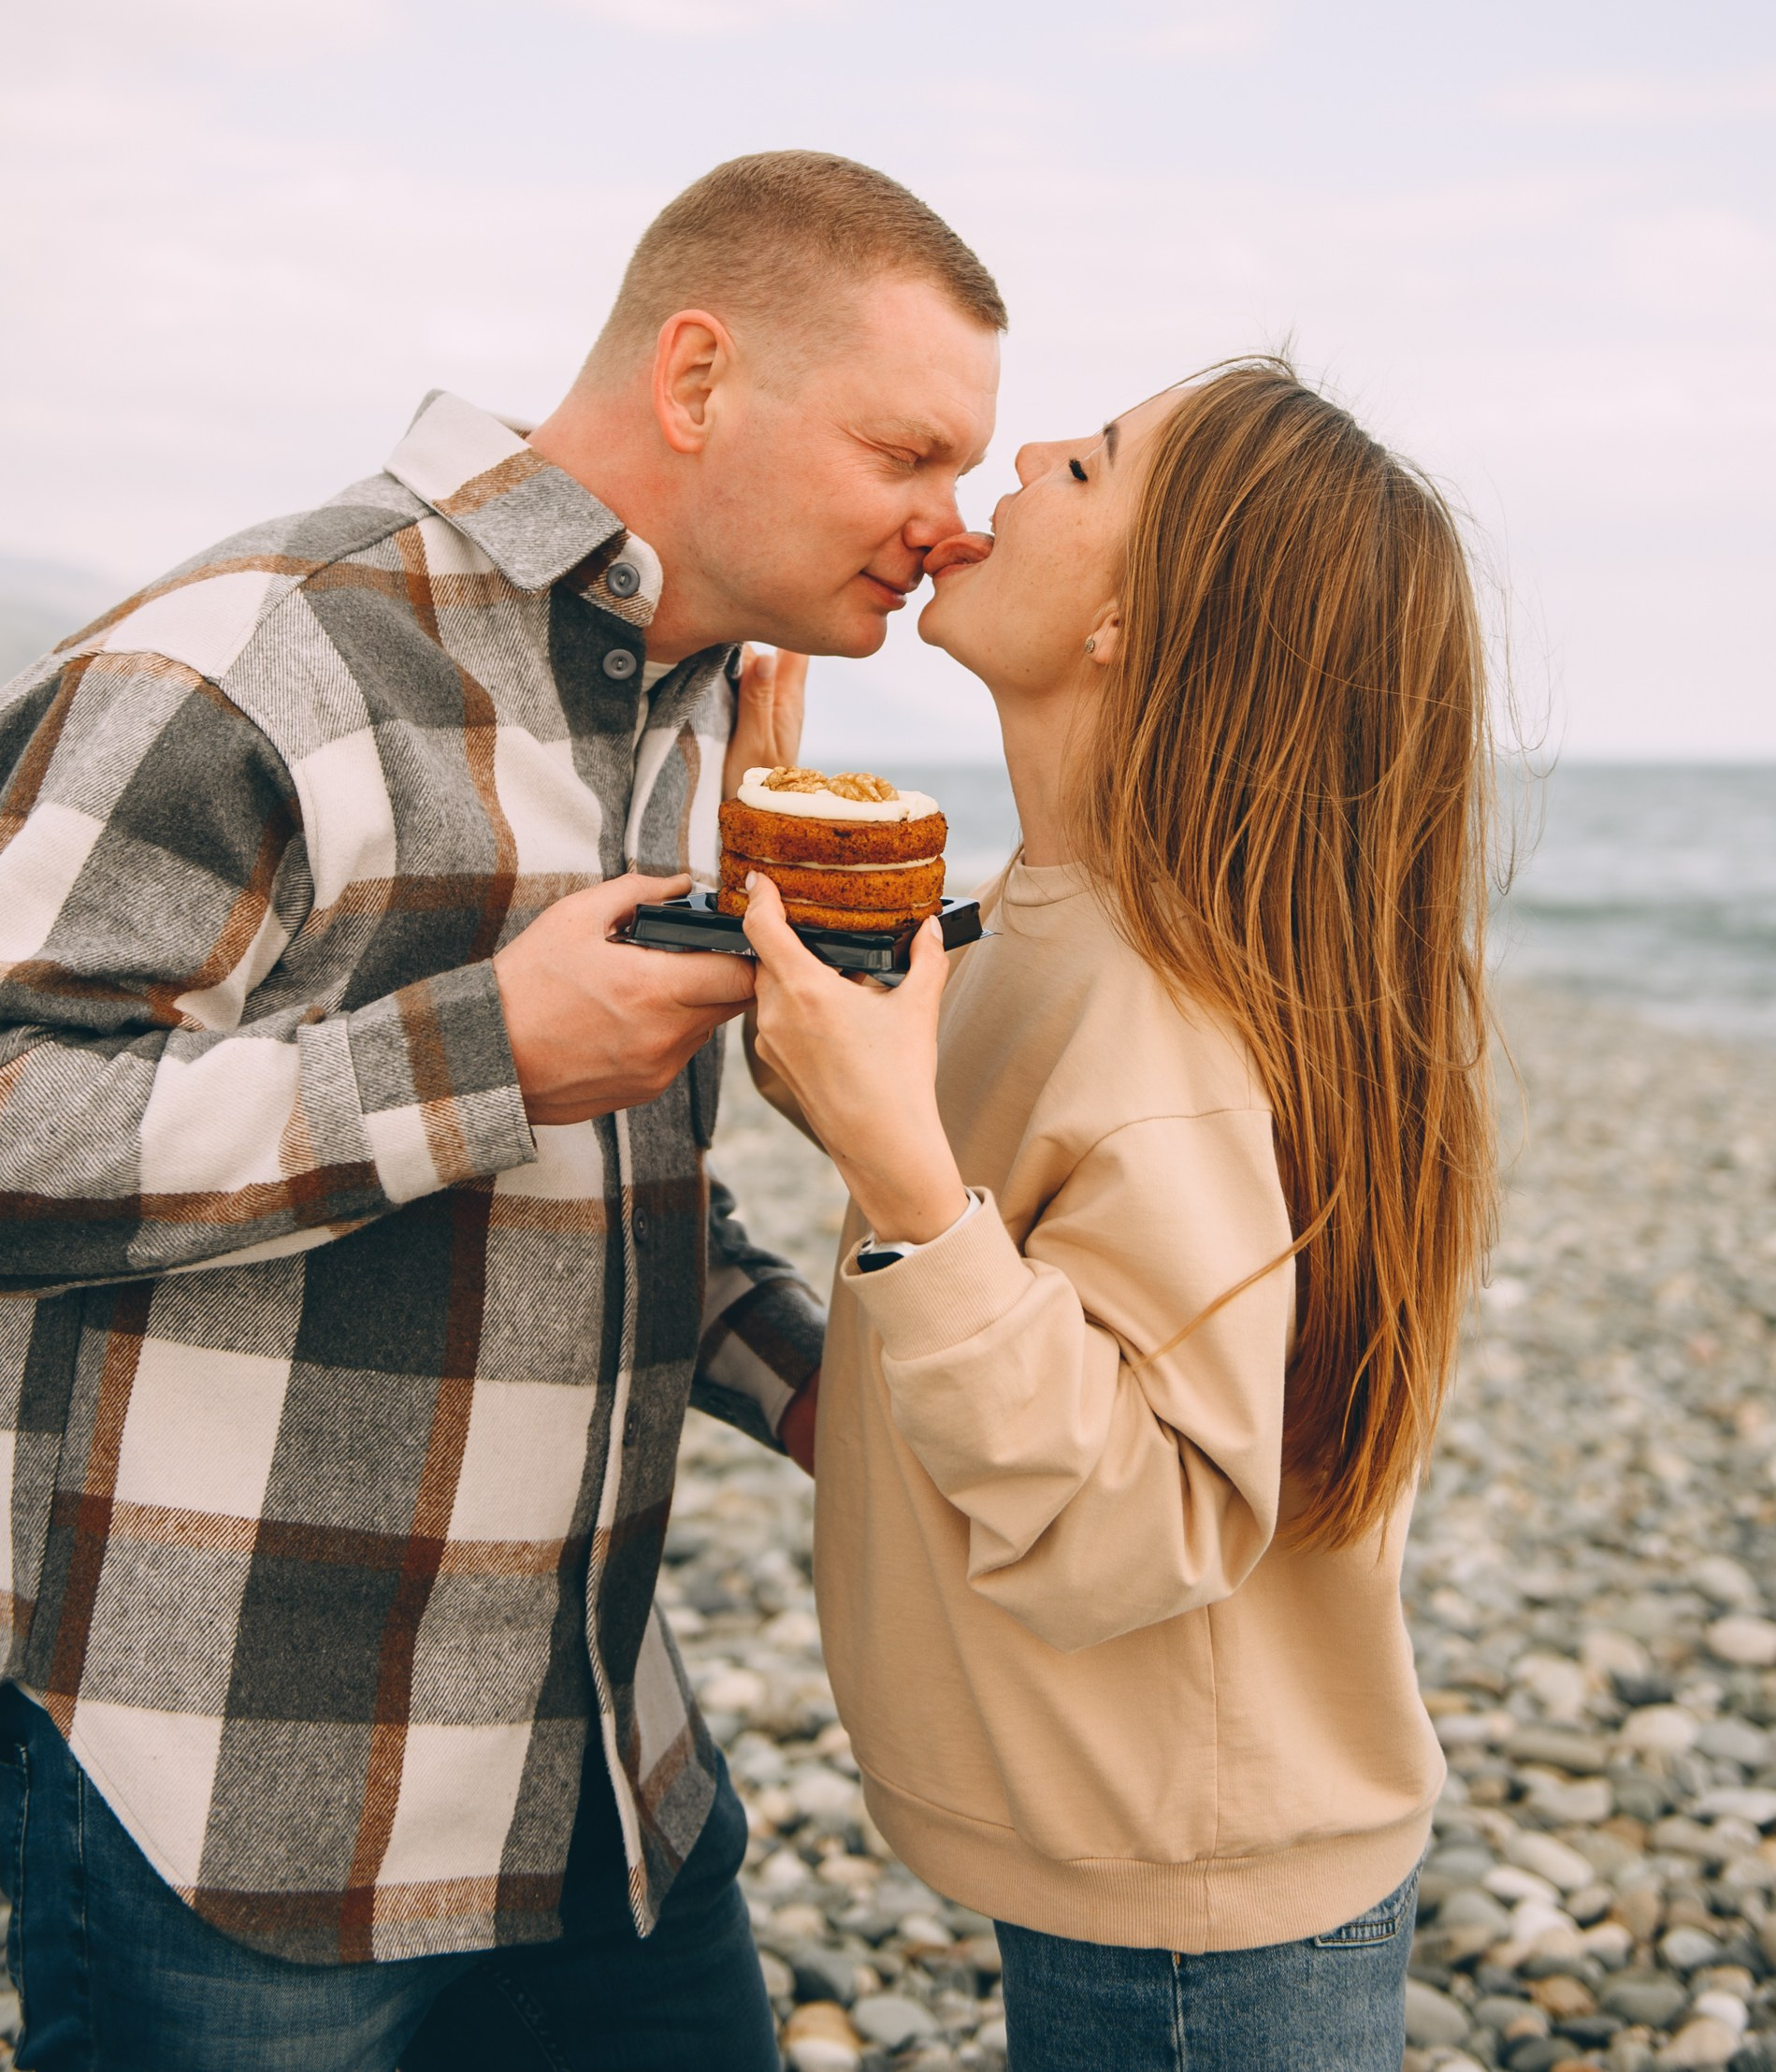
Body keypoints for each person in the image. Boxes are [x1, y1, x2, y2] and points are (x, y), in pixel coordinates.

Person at [0, 151, 1003, 2070]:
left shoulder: (705, 709)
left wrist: (833, 1395)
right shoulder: (250, 649)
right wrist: (482, 1055)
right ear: (698, 379)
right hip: (230, 1800)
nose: (946, 529)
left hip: (597, 1783)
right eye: (909, 454)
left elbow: (619, 1185)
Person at [744, 357, 1498, 2072]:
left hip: (1201, 1916)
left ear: (1132, 628)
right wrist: (776, 886)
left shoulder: (1166, 1024)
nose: (1021, 456)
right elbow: (953, 1160)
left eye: (1082, 468)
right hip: (1140, 1837)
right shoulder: (1052, 916)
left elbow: (1141, 1524)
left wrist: (911, 1195)